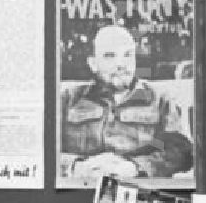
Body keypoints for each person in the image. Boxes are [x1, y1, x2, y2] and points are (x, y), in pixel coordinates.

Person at [60, 23, 193, 182]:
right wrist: (76, 166)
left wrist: (135, 167)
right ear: (93, 63)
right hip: (80, 187)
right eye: (110, 56)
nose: (121, 64)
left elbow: (179, 152)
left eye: (128, 55)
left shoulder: (160, 100)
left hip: (136, 189)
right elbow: (43, 150)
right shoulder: (68, 99)